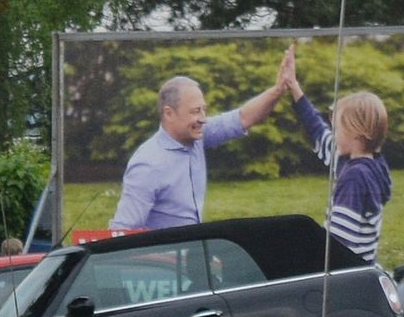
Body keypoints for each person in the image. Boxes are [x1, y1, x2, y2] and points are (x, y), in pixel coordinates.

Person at [110, 71, 284, 231]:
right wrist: (171, 259)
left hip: (191, 251)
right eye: (195, 111)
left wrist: (278, 90)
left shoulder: (196, 136)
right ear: (169, 114)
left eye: (203, 110)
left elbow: (243, 118)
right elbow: (122, 233)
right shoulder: (148, 164)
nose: (202, 118)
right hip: (163, 260)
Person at [281, 46, 392, 265]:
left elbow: (338, 244)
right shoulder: (369, 164)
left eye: (338, 129)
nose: (334, 134)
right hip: (363, 268)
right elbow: (317, 130)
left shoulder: (355, 177)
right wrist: (294, 87)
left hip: (348, 277)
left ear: (358, 135)